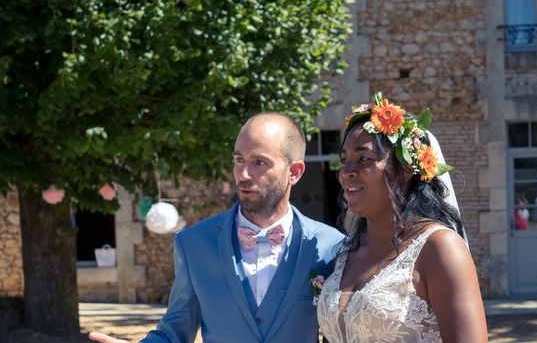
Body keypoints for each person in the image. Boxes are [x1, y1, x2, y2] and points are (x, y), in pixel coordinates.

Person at [89, 112, 344, 343]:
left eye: (259, 162)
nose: (243, 174)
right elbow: (174, 332)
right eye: (238, 160)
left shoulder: (331, 247)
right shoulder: (193, 244)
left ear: (295, 172)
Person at [317, 93, 488, 343]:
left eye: (363, 158)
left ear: (406, 169)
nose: (347, 172)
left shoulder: (439, 248)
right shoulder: (346, 251)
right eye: (344, 160)